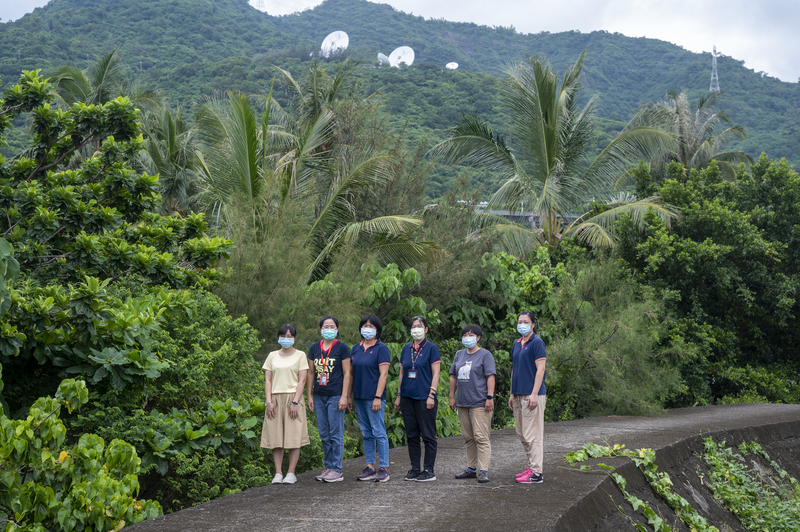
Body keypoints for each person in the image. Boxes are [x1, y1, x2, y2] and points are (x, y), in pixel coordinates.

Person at [394, 316, 441, 482]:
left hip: (424, 397)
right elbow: (402, 373)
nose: (416, 329)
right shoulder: (406, 349)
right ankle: (415, 468)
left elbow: (436, 373)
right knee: (412, 435)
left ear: (426, 329)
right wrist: (399, 395)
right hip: (407, 397)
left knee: (428, 435)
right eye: (413, 326)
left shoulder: (431, 348)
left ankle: (429, 470)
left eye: (419, 326)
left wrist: (431, 394)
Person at [261, 323, 309, 484]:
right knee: (276, 436)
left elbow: (302, 380)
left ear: (295, 338)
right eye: (283, 336)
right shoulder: (272, 356)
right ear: (278, 337)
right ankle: (278, 472)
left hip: (293, 398)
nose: (286, 339)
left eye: (289, 336)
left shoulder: (300, 355)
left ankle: (291, 472)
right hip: (275, 398)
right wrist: (268, 401)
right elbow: (268, 380)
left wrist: (295, 401)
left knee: (293, 436)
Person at [306, 315, 351, 483]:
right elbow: (311, 372)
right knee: (324, 434)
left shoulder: (342, 348)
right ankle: (328, 467)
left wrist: (344, 397)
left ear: (337, 330)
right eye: (326, 326)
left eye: (332, 327)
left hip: (335, 395)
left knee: (335, 433)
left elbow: (347, 373)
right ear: (320, 329)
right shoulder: (314, 348)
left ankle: (337, 469)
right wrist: (309, 395)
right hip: (319, 395)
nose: (329, 329)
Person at [449, 324, 496, 484]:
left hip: (480, 402)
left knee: (481, 437)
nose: (467, 337)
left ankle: (484, 471)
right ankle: (471, 469)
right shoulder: (459, 354)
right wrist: (451, 397)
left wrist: (490, 397)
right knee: (468, 437)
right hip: (463, 402)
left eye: (471, 335)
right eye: (464, 335)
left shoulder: (485, 355)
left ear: (478, 337)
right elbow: (453, 376)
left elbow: (490, 376)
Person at [349, 314, 392, 482]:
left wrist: (377, 396)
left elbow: (384, 374)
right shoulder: (355, 348)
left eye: (371, 326)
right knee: (366, 433)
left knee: (378, 431)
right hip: (358, 396)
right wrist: (349, 396)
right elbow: (351, 374)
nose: (368, 328)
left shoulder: (381, 348)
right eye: (365, 325)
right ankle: (370, 466)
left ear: (377, 330)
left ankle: (384, 468)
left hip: (373, 397)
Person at [508, 311, 547, 484]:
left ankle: (537, 472)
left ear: (532, 325)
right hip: (518, 393)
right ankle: (531, 466)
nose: (522, 324)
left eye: (526, 322)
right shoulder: (517, 344)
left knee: (533, 434)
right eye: (519, 321)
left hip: (532, 394)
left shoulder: (537, 343)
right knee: (522, 434)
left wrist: (534, 393)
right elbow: (514, 370)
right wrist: (511, 393)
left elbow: (541, 369)